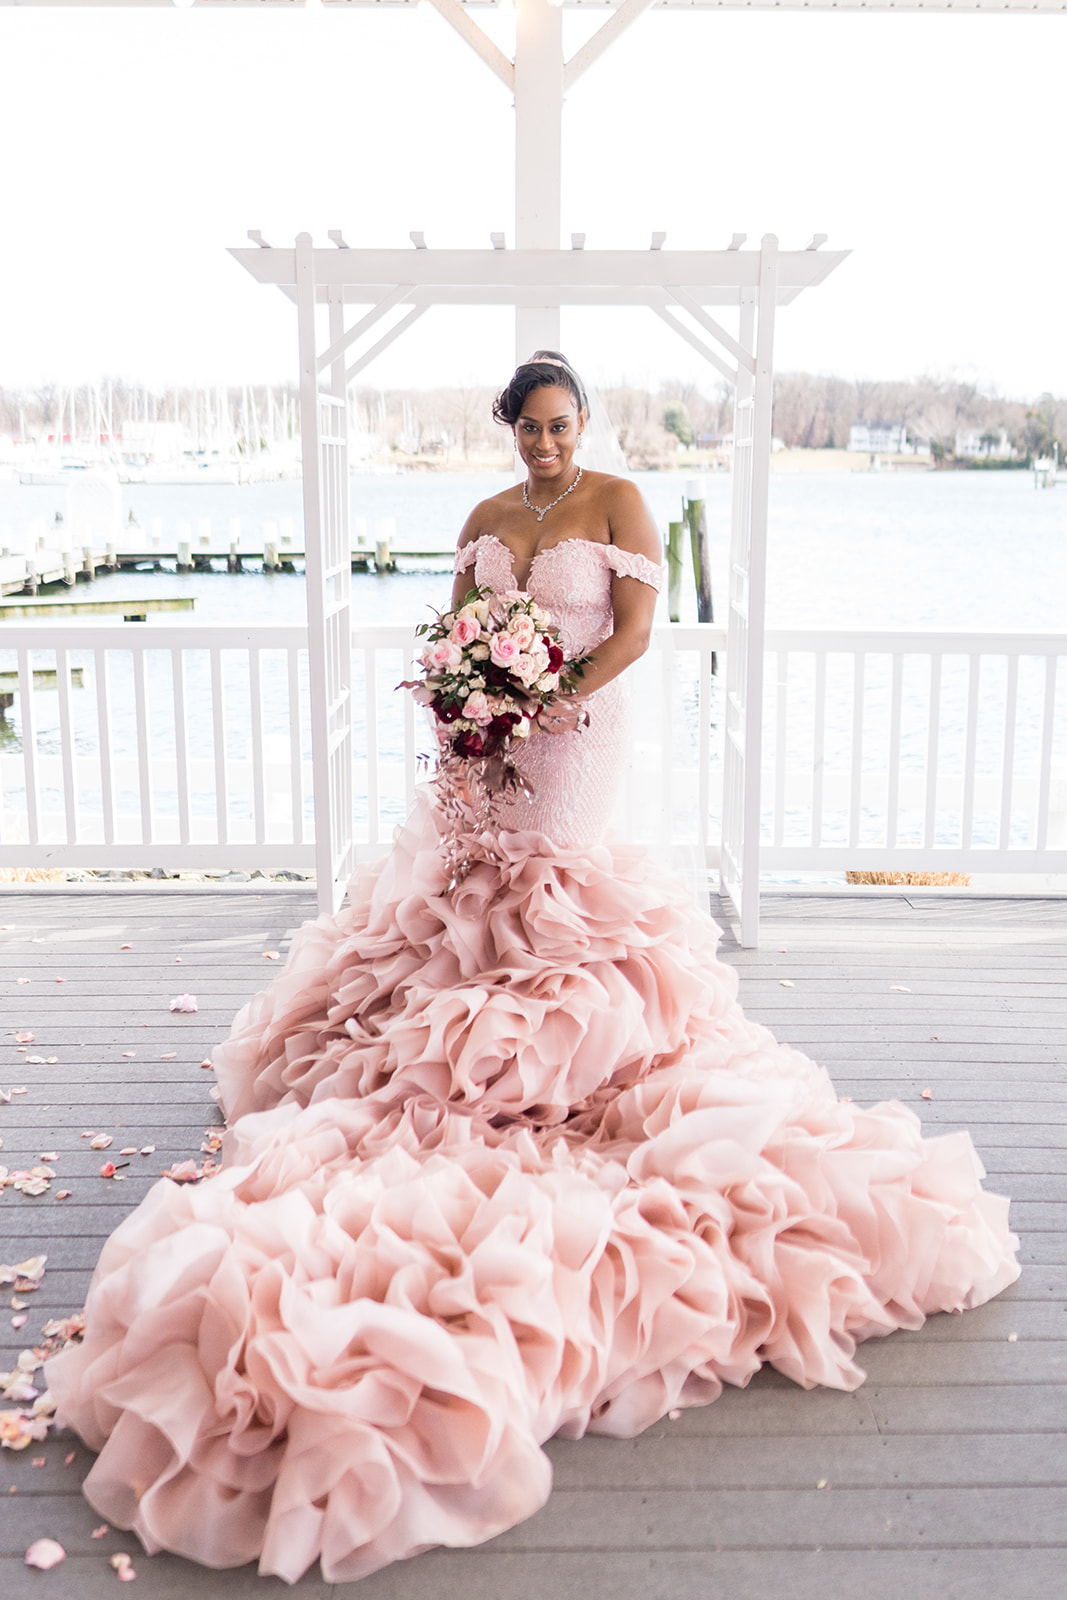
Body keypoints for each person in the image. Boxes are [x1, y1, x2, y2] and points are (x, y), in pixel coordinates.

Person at [48, 353, 1020, 1587]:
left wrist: (544, 695)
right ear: (507, 428)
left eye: (563, 427)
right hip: (486, 737)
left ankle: (564, 1055)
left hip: (578, 729)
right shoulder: (482, 521)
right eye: (532, 430)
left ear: (583, 427)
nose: (547, 447)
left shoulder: (616, 502)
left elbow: (633, 632)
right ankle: (462, 1028)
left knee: (557, 882)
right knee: (475, 883)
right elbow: (455, 633)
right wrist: (467, 706)